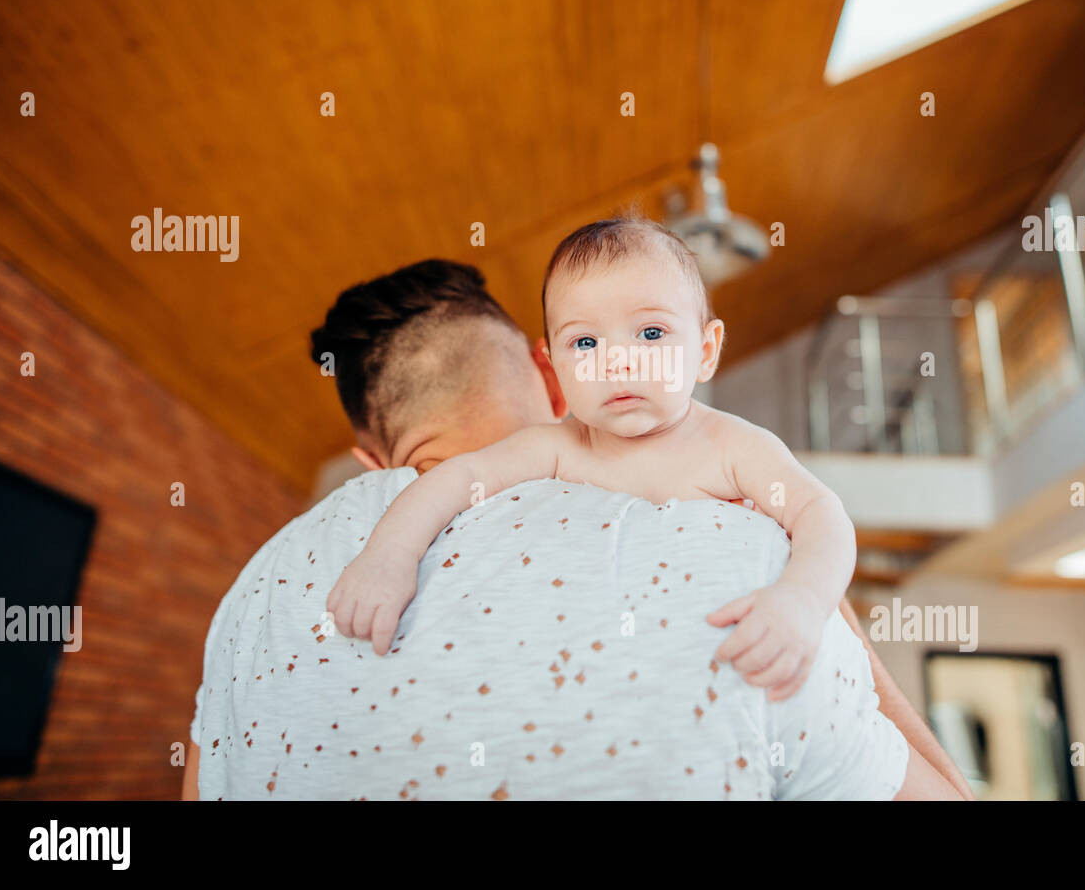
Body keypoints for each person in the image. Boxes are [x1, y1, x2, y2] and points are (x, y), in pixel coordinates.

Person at [182, 256, 971, 799]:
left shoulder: (253, 597)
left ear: (367, 459)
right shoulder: (740, 543)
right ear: (554, 368)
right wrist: (808, 592)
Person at [329, 219, 854, 705]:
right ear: (554, 366)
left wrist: (803, 599)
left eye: (651, 333)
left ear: (706, 349)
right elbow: (457, 477)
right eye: (585, 341)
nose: (617, 360)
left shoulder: (734, 446)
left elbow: (819, 513)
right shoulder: (555, 447)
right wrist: (388, 557)